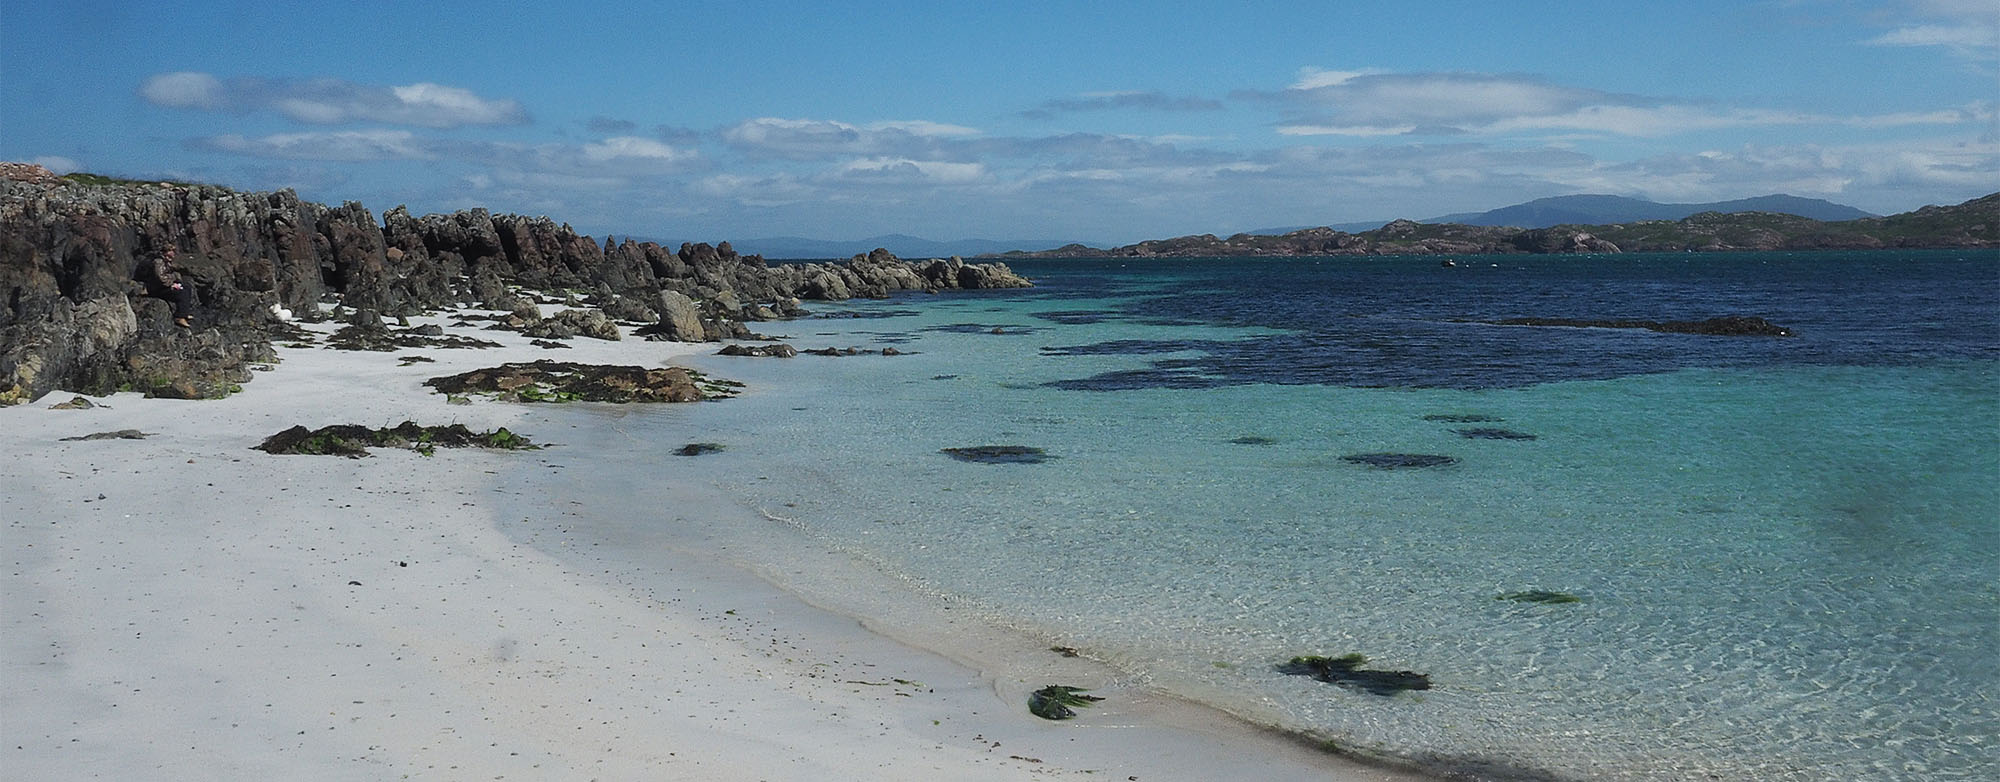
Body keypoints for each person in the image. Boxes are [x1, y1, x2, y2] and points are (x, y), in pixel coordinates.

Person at [145, 246, 197, 328]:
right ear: (164, 253)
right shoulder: (158, 262)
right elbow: (160, 278)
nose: (171, 258)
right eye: (169, 256)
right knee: (181, 293)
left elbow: (172, 273)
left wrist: (176, 279)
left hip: (163, 286)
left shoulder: (166, 262)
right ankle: (179, 316)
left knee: (187, 287)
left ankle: (185, 312)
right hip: (156, 289)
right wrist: (172, 283)